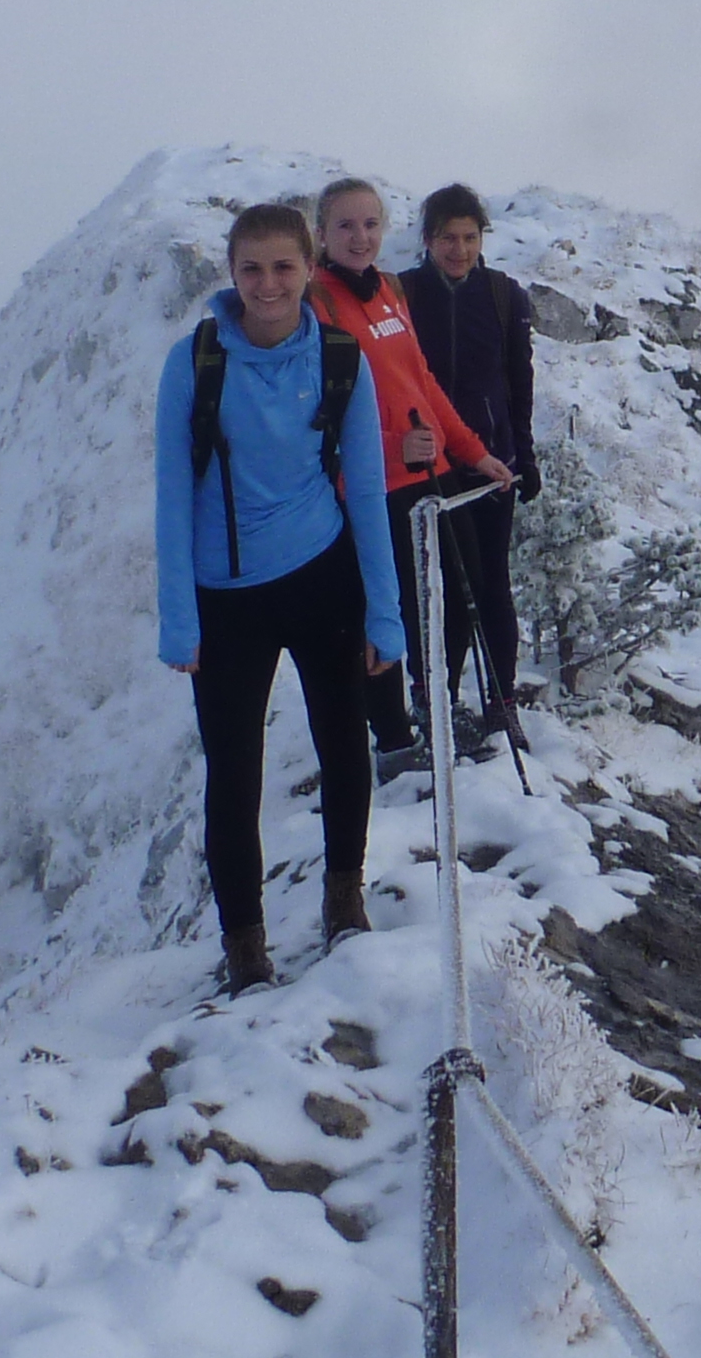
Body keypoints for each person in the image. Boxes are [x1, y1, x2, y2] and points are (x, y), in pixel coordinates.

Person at [155, 202, 403, 993]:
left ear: (307, 269)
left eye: (283, 267)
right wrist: (178, 619)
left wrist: (385, 610)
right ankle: (246, 950)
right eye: (252, 268)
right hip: (225, 598)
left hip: (322, 574)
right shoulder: (195, 362)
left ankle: (344, 900)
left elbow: (368, 491)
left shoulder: (339, 358)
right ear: (231, 272)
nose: (268, 284)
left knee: (343, 741)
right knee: (233, 774)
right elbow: (171, 495)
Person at [301, 178, 516, 777]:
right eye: (345, 226)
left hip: (432, 475)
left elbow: (420, 381)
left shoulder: (389, 291)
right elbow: (316, 414)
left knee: (460, 597)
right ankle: (393, 740)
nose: (360, 237)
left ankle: (435, 702)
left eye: (370, 224)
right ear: (321, 233)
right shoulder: (315, 305)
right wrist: (393, 445)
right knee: (386, 609)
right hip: (371, 488)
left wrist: (473, 453)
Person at [397, 182, 541, 756]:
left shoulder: (504, 296)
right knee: (435, 593)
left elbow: (519, 384)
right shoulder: (402, 296)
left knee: (491, 587)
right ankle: (437, 700)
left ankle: (502, 702)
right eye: (447, 238)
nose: (459, 249)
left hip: (491, 464)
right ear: (427, 240)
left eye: (469, 237)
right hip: (425, 468)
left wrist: (525, 454)